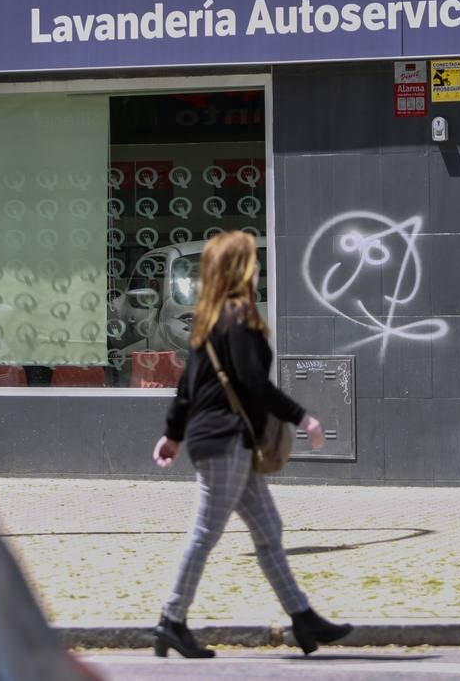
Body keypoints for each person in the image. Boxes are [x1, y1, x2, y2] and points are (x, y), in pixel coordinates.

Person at [151, 230, 353, 658]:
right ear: (240, 270)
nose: (259, 268)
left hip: (223, 440)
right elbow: (252, 382)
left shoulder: (208, 320)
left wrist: (173, 435)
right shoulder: (238, 318)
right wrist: (303, 416)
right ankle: (171, 619)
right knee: (206, 532)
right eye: (253, 261)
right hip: (224, 441)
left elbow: (187, 389)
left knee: (268, 531)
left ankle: (303, 619)